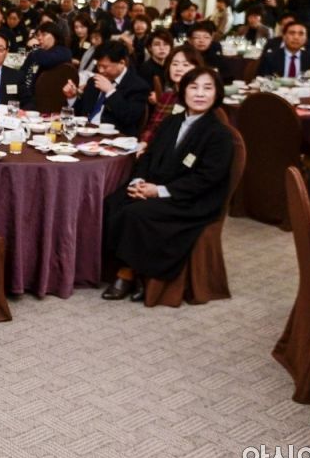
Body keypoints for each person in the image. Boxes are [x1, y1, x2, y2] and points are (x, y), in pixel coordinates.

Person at [100, 67, 234, 301]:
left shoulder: (219, 134)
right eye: (193, 87)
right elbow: (149, 156)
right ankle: (130, 268)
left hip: (194, 199)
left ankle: (129, 272)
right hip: (158, 185)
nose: (200, 94)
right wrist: (139, 181)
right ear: (183, 91)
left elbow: (206, 179)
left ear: (217, 94)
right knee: (113, 202)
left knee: (136, 213)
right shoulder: (172, 121)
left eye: (207, 88)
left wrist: (159, 191)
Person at [62, 40, 150, 136]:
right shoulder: (94, 81)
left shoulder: (138, 86)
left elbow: (129, 117)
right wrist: (72, 97)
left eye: (105, 67)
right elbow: (81, 113)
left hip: (115, 138)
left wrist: (110, 92)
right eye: (98, 65)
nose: (100, 70)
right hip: (87, 133)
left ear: (122, 63)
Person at [140, 45, 204, 144]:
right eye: (175, 64)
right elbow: (153, 126)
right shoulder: (166, 96)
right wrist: (144, 142)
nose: (178, 69)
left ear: (197, 69)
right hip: (157, 147)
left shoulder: (199, 100)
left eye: (185, 65)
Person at [21, 22, 72, 95]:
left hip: (48, 96)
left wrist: (35, 48)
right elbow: (23, 71)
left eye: (44, 34)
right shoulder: (38, 52)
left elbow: (46, 60)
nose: (39, 38)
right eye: (38, 35)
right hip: (29, 92)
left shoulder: (63, 51)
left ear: (55, 35)